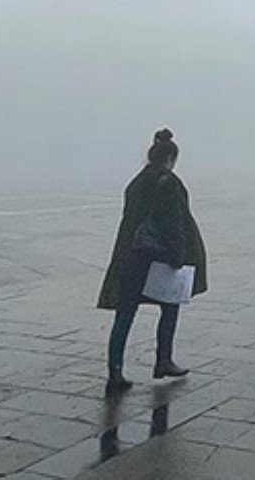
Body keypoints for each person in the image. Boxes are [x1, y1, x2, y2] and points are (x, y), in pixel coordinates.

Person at [97, 128, 208, 392]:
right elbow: (173, 224)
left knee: (125, 315)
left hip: (131, 258)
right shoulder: (169, 182)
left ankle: (115, 371)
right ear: (170, 158)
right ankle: (163, 359)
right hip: (157, 258)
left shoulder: (137, 182)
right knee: (170, 305)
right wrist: (178, 256)